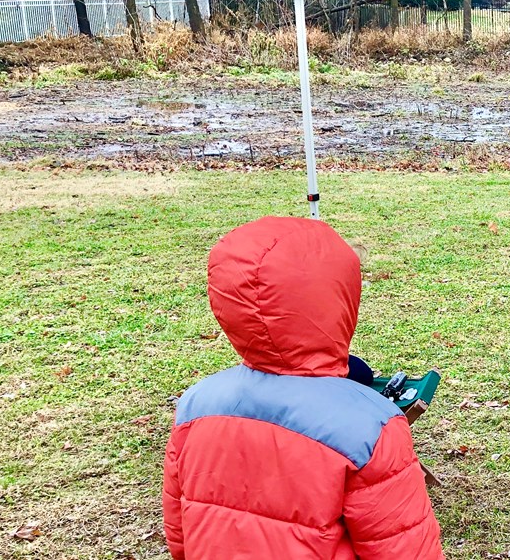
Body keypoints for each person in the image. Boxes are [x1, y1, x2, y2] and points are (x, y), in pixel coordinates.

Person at [162, 216, 443, 559]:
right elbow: (404, 550)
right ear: (339, 300)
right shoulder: (370, 424)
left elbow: (180, 534)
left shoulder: (195, 404)